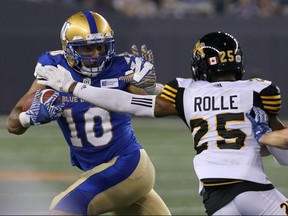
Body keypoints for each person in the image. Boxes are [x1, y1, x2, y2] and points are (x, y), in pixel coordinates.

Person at [36, 31, 288, 215]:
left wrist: (73, 86)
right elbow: (283, 157)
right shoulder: (258, 91)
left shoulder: (185, 93)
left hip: (215, 199)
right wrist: (262, 135)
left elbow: (128, 102)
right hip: (254, 188)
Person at [6, 11, 171, 215]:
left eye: (101, 47)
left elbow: (161, 104)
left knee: (63, 208)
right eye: (88, 49)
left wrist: (151, 87)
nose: (96, 55)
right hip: (106, 172)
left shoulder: (121, 69)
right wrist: (28, 117)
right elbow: (12, 124)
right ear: (69, 48)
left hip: (127, 163)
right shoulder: (53, 70)